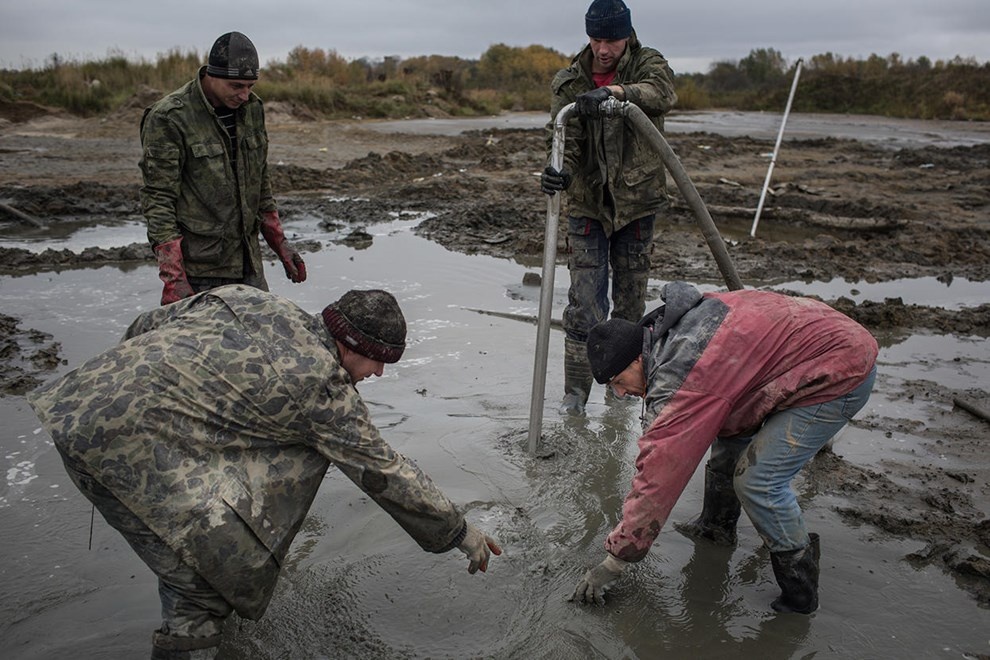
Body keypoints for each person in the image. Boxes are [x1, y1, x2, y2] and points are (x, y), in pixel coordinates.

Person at [27, 285, 501, 658]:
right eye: (378, 360)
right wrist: (459, 532)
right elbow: (385, 472)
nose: (378, 373)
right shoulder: (323, 390)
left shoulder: (249, 299)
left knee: (189, 542)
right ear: (349, 343)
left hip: (77, 402)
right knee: (201, 583)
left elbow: (145, 326)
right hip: (116, 450)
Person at [569, 282, 878, 614]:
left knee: (759, 481)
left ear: (634, 361)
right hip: (808, 347)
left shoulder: (683, 373)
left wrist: (616, 559)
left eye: (617, 383)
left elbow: (659, 476)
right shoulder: (668, 336)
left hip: (838, 370)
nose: (619, 394)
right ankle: (716, 528)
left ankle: (799, 594)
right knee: (730, 428)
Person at [540, 0, 677, 415]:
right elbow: (564, 138)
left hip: (637, 205)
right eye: (596, 39)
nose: (603, 49)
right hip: (587, 207)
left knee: (630, 305)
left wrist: (615, 92)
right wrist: (558, 169)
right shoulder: (570, 81)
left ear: (626, 35)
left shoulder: (646, 63)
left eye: (611, 40)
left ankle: (623, 393)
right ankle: (575, 395)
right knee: (585, 305)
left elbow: (663, 93)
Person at [140, 31, 306, 307]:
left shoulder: (253, 109)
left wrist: (281, 244)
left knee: (257, 343)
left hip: (248, 264)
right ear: (211, 76)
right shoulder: (169, 118)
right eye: (236, 86)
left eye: (250, 86)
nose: (245, 95)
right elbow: (158, 199)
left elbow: (259, 181)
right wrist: (174, 277)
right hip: (199, 270)